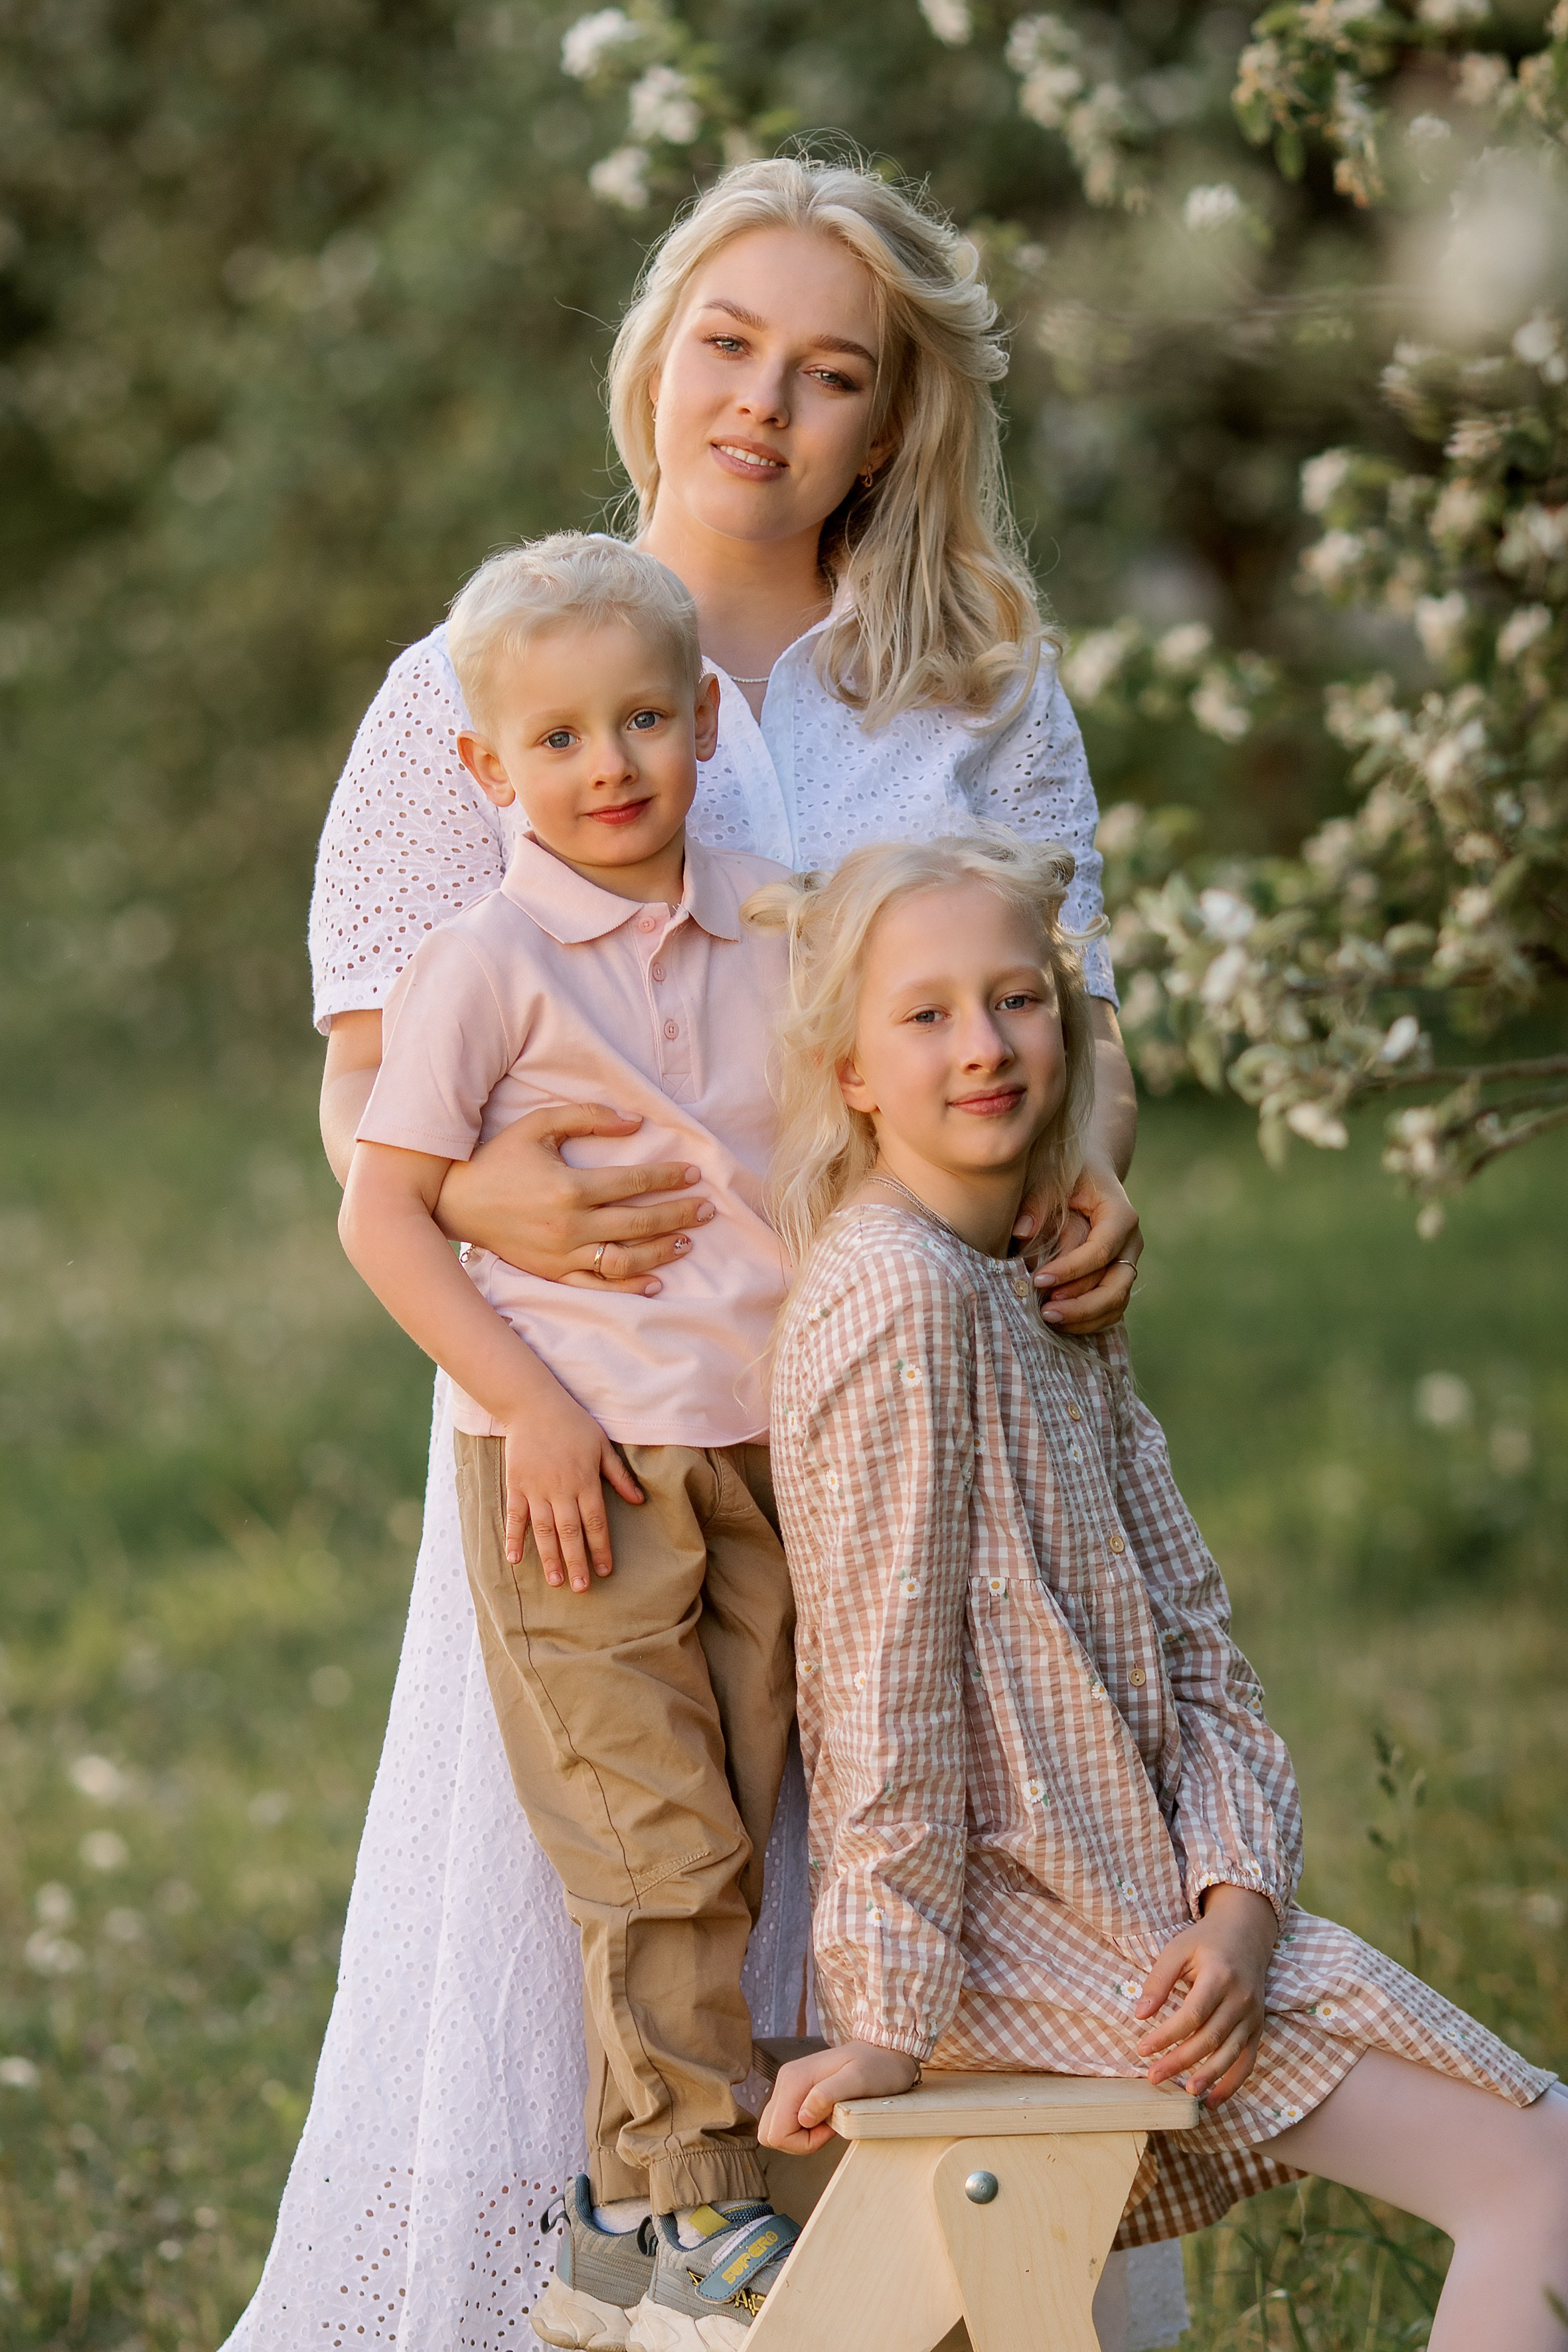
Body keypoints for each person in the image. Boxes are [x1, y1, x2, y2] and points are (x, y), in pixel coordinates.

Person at [226, 155, 1179, 2352]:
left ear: (892, 421)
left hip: (920, 1419)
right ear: (661, 343)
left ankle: (923, 2301)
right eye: (731, 343)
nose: (764, 402)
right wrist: (490, 1198)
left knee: (911, 1883)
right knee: (628, 1891)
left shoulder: (974, 686)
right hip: (601, 1434)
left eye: (831, 373)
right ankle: (610, 2277)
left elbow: (1079, 1020)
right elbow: (372, 1089)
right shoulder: (491, 672)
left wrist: (1097, 1172)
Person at [755, 830, 1568, 2352]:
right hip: (1019, 1946)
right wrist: (881, 2020)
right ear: (851, 1069)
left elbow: (1193, 1637)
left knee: (1546, 2164)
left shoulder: (1041, 1276)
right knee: (1546, 2172)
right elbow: (876, 1702)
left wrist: (1242, 1900)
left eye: (1015, 1000)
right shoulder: (892, 1301)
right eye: (924, 1015)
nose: (984, 1046)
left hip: (1155, 1913)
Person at [338, 532, 808, 2349]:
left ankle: (607, 2239)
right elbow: (385, 1217)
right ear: (489, 770)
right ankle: (694, 2208)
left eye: (641, 722)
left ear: (702, 723)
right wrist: (528, 1401)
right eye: (557, 738)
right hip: (576, 1477)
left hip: (766, 1456)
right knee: (653, 1840)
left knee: (737, 1824)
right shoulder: (486, 963)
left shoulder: (779, 922)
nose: (606, 765)